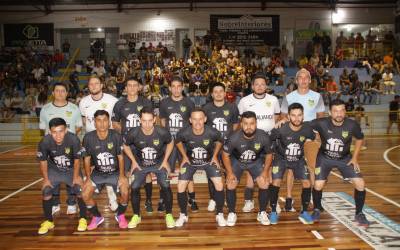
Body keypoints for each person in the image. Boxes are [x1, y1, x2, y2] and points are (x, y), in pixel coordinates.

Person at [310, 99, 370, 227]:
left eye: (342, 110)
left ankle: (359, 213)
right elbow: (303, 126)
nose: (339, 114)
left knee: (360, 183)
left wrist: (355, 158)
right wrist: (284, 121)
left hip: (345, 158)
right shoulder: (320, 123)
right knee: (318, 184)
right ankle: (316, 209)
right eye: (336, 111)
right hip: (324, 158)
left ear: (345, 111)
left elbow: (360, 139)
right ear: (330, 112)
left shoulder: (352, 125)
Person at [280, 68, 325, 212]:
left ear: (310, 80)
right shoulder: (289, 97)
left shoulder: (317, 96)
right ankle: (288, 198)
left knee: (312, 168)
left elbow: (321, 118)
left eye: (306, 78)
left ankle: (313, 198)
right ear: (296, 80)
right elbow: (283, 117)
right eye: (301, 77)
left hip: (311, 138)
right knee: (291, 169)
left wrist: (318, 136)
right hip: (293, 138)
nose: (304, 80)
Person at [123, 107, 175, 228]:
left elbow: (171, 142)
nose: (147, 124)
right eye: (144, 120)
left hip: (159, 163)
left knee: (166, 186)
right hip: (140, 164)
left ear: (154, 120)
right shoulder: (133, 132)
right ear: (140, 120)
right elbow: (125, 145)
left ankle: (169, 215)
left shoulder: (162, 131)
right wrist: (133, 162)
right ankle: (136, 215)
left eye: (150, 120)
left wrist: (165, 160)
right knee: (134, 187)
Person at [175, 108, 227, 227]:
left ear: (205, 119)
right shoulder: (184, 132)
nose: (197, 122)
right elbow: (177, 141)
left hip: (208, 161)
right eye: (194, 119)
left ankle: (219, 214)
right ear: (190, 120)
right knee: (180, 185)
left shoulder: (213, 132)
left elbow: (220, 141)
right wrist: (184, 156)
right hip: (191, 162)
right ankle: (183, 214)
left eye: (200, 119)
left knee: (219, 183)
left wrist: (214, 156)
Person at [111, 77, 156, 212]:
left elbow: (153, 121)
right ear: (125, 88)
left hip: (144, 144)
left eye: (134, 85)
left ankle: (148, 200)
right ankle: (124, 199)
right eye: (129, 85)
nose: (131, 88)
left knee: (147, 172)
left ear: (139, 87)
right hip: (126, 144)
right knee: (124, 172)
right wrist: (126, 134)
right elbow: (115, 123)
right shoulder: (119, 104)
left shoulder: (146, 102)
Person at [237, 73, 280, 213]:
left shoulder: (273, 100)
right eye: (257, 84)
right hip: (250, 141)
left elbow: (277, 120)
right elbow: (240, 122)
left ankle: (273, 202)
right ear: (252, 86)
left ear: (266, 86)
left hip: (269, 141)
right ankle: (248, 201)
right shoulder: (244, 101)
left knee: (270, 173)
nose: (260, 86)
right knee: (250, 172)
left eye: (263, 84)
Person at [222, 111, 273, 226]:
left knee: (264, 182)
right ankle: (231, 213)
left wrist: (265, 172)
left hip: (255, 161)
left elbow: (270, 154)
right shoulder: (234, 137)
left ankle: (262, 212)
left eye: (252, 123)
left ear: (256, 123)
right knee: (231, 183)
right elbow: (225, 155)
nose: (249, 127)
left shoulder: (264, 136)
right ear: (241, 124)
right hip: (237, 162)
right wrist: (229, 173)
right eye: (245, 123)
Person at [37, 118, 87, 234]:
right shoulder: (44, 142)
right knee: (46, 190)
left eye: (60, 131)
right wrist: (45, 179)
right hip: (54, 170)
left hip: (71, 170)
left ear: (66, 130)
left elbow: (77, 160)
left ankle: (83, 218)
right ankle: (49, 221)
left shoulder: (73, 139)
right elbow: (43, 161)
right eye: (54, 132)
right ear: (50, 131)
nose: (58, 135)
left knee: (79, 189)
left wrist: (76, 177)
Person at [81, 110, 129, 230]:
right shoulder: (88, 138)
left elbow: (120, 157)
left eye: (105, 120)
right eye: (99, 120)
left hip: (115, 172)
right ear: (94, 123)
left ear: (109, 123)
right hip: (98, 173)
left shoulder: (116, 136)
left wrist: (122, 176)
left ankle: (120, 215)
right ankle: (97, 217)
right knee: (85, 194)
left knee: (125, 191)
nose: (102, 124)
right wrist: (87, 178)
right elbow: (86, 159)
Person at [39, 82, 83, 215]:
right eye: (57, 91)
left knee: (72, 175)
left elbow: (79, 126)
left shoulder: (74, 108)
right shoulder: (45, 109)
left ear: (67, 93)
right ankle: (55, 203)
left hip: (70, 148)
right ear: (53, 93)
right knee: (54, 174)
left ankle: (71, 203)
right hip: (52, 149)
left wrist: (69, 141)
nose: (60, 93)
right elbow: (43, 129)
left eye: (63, 91)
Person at [268, 103, 315, 224]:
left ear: (303, 116)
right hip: (281, 158)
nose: (297, 118)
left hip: (298, 159)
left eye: (299, 115)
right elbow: (269, 141)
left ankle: (304, 212)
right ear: (288, 116)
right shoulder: (280, 128)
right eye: (293, 115)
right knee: (276, 181)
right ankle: (273, 211)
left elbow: (313, 138)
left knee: (307, 182)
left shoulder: (307, 128)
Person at [79, 76, 119, 211]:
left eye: (97, 83)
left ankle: (112, 196)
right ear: (88, 86)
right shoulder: (83, 102)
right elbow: (84, 122)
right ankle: (92, 188)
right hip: (91, 141)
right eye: (91, 84)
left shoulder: (112, 101)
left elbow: (116, 120)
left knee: (108, 167)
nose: (94, 86)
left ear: (102, 85)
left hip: (109, 140)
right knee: (91, 168)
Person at [159, 76, 198, 212]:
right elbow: (163, 121)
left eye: (178, 86)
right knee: (165, 170)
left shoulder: (189, 102)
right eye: (173, 86)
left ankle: (192, 198)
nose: (176, 89)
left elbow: (192, 121)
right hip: (169, 142)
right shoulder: (164, 103)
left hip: (185, 143)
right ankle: (163, 198)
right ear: (169, 88)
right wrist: (166, 137)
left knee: (188, 170)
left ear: (182, 87)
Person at [202, 82, 240, 212]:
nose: (218, 94)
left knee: (228, 172)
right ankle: (213, 198)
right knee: (211, 173)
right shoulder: (206, 108)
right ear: (212, 94)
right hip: (211, 147)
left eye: (220, 91)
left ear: (225, 93)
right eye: (215, 91)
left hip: (228, 147)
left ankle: (226, 198)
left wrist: (232, 140)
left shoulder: (232, 107)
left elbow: (235, 125)